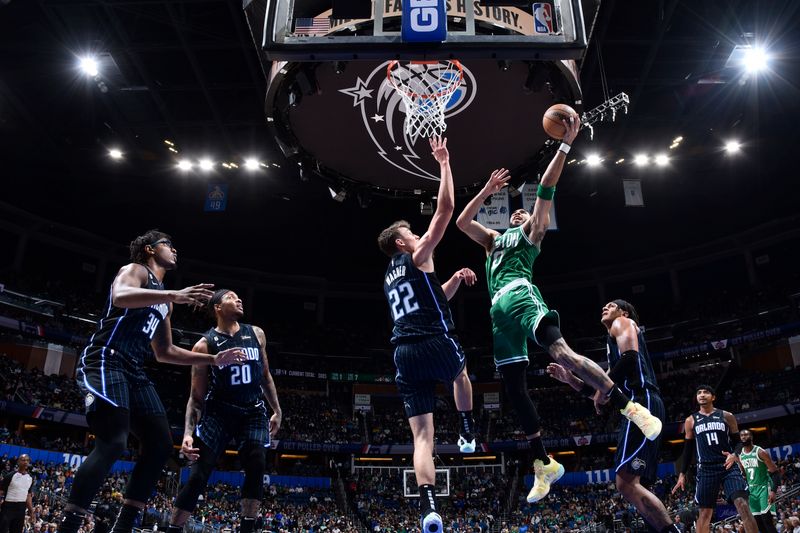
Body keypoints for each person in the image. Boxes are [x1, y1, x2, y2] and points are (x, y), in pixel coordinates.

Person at [455, 116, 661, 503]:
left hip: (520, 294)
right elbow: (463, 221)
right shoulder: (492, 242)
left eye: (526, 213)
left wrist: (565, 145)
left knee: (561, 353)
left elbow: (547, 186)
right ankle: (544, 464)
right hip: (498, 313)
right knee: (514, 388)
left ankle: (628, 406)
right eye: (515, 212)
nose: (520, 214)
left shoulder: (531, 236)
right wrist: (486, 189)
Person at [59, 230, 245, 533]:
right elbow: (120, 297)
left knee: (159, 445)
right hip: (106, 358)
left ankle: (125, 526)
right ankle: (69, 524)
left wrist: (212, 359)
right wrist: (173, 294)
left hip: (134, 367)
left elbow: (164, 352)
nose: (174, 250)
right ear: (149, 249)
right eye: (168, 245)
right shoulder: (135, 270)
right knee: (114, 441)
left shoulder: (165, 303)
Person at [377, 137, 478, 533]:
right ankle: (468, 431)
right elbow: (446, 209)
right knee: (462, 374)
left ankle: (430, 510)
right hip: (433, 341)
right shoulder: (417, 256)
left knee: (423, 437)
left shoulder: (389, 276)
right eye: (412, 232)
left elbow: (430, 298)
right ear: (402, 243)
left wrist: (451, 280)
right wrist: (445, 162)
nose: (420, 234)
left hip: (403, 352)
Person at [548, 300, 678, 533]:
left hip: (641, 402)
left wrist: (602, 391)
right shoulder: (613, 347)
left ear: (624, 312)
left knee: (625, 483)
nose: (604, 308)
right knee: (639, 485)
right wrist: (570, 380)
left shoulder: (623, 322)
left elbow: (629, 359)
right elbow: (601, 391)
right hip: (640, 405)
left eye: (611, 305)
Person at [166, 289, 282, 533]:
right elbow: (196, 397)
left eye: (240, 296)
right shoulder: (204, 345)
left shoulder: (257, 334)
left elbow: (265, 375)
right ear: (217, 307)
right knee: (198, 475)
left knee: (257, 463)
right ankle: (173, 528)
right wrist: (187, 433)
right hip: (218, 411)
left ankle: (247, 527)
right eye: (231, 297)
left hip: (252, 410)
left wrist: (277, 410)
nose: (239, 299)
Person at [671, 385, 757, 533]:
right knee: (704, 513)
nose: (702, 395)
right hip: (706, 469)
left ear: (713, 397)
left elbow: (738, 441)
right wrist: (682, 474)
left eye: (706, 392)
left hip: (728, 466)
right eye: (699, 393)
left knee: (742, 504)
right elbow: (688, 449)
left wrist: (735, 455)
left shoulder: (726, 416)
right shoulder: (691, 420)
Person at [737, 429, 781, 533]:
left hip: (764, 487)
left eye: (746, 435)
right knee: (758, 522)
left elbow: (775, 473)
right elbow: (744, 474)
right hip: (752, 490)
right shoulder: (740, 455)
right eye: (742, 435)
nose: (744, 437)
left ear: (751, 437)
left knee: (767, 520)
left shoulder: (761, 452)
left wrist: (773, 491)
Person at [0, 455, 35, 533]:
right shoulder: (10, 476)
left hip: (21, 508)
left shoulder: (30, 478)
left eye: (27, 460)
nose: (25, 462)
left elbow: (28, 496)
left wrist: (31, 511)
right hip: (8, 507)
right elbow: (1, 492)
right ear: (18, 462)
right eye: (23, 460)